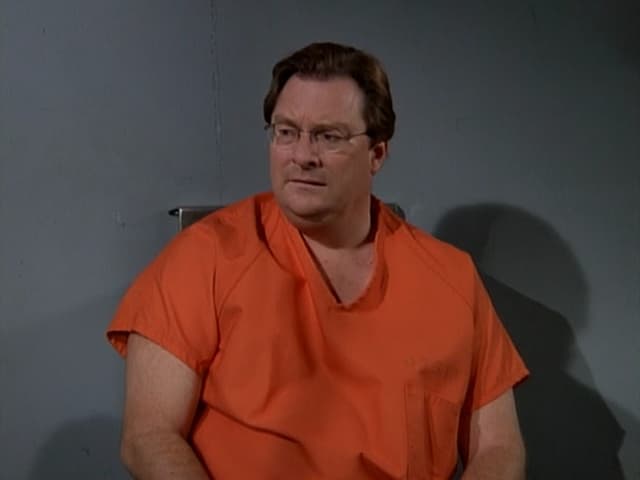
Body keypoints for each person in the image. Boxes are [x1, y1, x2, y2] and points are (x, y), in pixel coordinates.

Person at [106, 42, 529, 480]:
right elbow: (149, 436)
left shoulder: (451, 278)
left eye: (329, 136)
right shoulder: (205, 257)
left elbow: (499, 447)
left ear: (377, 154)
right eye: (286, 132)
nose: (302, 155)